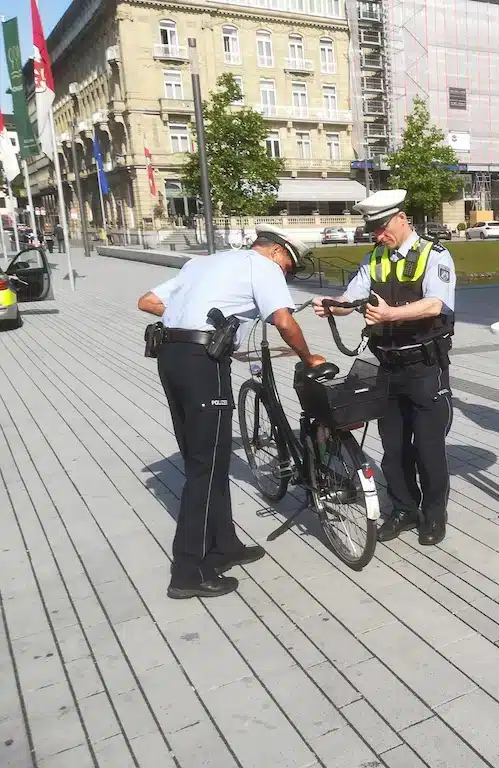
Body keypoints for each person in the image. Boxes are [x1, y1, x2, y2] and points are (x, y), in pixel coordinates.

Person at [137, 223, 327, 599]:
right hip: (202, 362)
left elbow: (148, 301)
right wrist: (309, 357)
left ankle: (225, 546)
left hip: (171, 356)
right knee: (207, 467)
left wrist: (203, 319)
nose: (286, 273)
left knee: (208, 457)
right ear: (276, 252)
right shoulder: (263, 266)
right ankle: (189, 571)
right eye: (289, 265)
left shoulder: (203, 263)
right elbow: (284, 320)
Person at [314, 189, 455, 546]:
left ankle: (434, 514)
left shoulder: (434, 255)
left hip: (425, 366)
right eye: (372, 229)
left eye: (381, 227)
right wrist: (333, 305)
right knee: (393, 448)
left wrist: (391, 313)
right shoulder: (373, 258)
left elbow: (436, 305)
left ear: (401, 219)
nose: (377, 235)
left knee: (428, 447)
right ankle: (405, 509)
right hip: (387, 367)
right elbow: (352, 297)